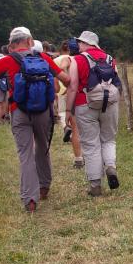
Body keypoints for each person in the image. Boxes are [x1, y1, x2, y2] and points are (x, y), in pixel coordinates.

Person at [0, 26, 70, 212]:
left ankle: (30, 200)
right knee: (43, 147)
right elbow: (65, 79)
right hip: (43, 110)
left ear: (11, 44)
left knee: (25, 154)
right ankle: (44, 187)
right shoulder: (43, 58)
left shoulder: (7, 61)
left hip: (18, 111)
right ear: (29, 41)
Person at [66, 31, 121, 196]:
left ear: (84, 43)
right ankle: (110, 166)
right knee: (109, 139)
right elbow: (116, 82)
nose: (78, 45)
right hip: (110, 104)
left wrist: (68, 110)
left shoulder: (77, 59)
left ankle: (95, 185)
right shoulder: (110, 59)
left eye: (80, 42)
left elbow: (73, 86)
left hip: (85, 104)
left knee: (90, 144)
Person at [53, 40, 84, 168]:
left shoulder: (57, 60)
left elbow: (54, 78)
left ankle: (78, 159)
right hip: (80, 95)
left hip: (64, 93)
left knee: (71, 124)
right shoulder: (83, 60)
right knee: (85, 128)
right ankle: (91, 156)